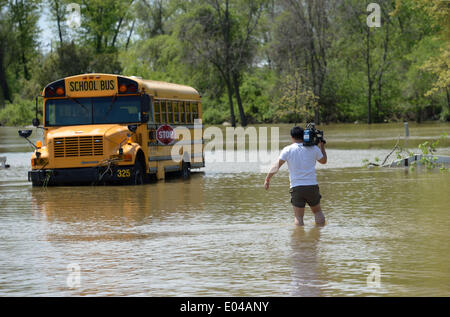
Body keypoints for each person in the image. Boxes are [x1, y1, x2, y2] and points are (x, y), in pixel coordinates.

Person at [264, 126, 327, 226]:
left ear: (292, 137)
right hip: (312, 186)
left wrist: (267, 179)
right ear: (304, 136)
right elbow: (323, 161)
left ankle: (299, 239)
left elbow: (276, 166)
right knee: (318, 212)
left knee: (298, 217)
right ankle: (319, 236)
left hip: (296, 187)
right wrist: (322, 146)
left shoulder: (288, 150)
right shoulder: (313, 148)